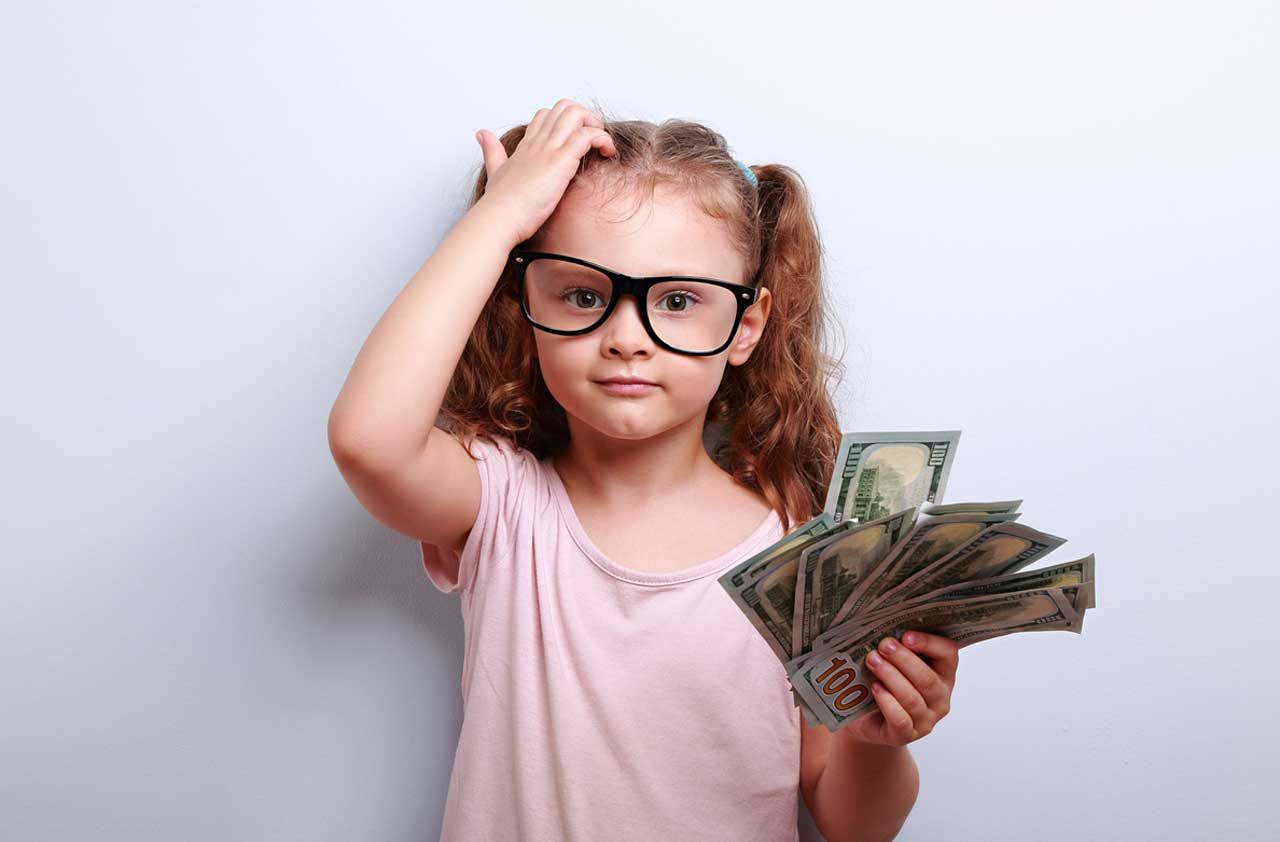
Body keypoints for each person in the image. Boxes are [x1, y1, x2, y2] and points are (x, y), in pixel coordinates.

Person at [328, 98, 960, 842]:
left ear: (744, 328)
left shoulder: (805, 553)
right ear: (525, 299)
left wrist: (875, 743)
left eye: (680, 299)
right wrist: (500, 218)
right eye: (585, 294)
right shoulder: (503, 505)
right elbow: (369, 440)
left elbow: (854, 824)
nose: (627, 337)